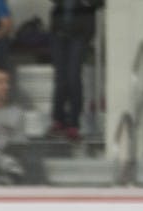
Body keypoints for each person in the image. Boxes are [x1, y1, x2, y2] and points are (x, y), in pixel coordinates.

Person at [48, 0, 103, 141]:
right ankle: (58, 120)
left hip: (81, 31)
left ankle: (73, 124)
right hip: (58, 29)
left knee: (73, 76)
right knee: (60, 78)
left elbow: (100, 2)